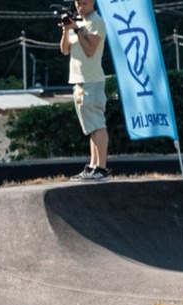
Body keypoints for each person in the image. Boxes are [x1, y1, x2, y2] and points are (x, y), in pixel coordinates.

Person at [59, 0, 109, 181]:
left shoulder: (96, 22)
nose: (81, 7)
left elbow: (90, 50)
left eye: (85, 3)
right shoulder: (77, 23)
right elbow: (64, 50)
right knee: (91, 128)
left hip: (92, 81)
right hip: (79, 82)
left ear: (93, 2)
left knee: (98, 125)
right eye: (78, 3)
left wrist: (78, 30)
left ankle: (101, 169)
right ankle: (93, 166)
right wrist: (67, 29)